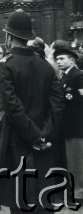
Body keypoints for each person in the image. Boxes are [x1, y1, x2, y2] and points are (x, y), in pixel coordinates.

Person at [0, 10, 65, 212]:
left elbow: (12, 106)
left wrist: (33, 136)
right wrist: (44, 135)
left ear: (8, 37)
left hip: (18, 137)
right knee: (41, 195)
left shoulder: (6, 65)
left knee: (20, 197)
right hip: (44, 139)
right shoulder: (45, 65)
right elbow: (57, 104)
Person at [54, 48, 83, 203]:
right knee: (71, 161)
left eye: (62, 58)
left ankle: (79, 193)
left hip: (77, 126)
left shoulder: (78, 75)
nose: (58, 61)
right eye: (57, 59)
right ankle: (74, 190)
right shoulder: (64, 77)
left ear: (72, 60)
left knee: (77, 161)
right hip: (68, 126)